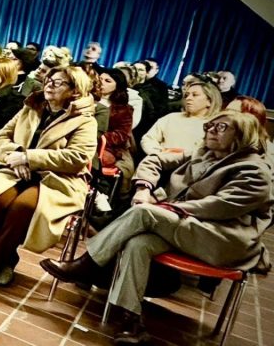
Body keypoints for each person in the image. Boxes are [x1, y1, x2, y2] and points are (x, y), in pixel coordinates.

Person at [41, 111, 272, 345]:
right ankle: (130, 320)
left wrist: (165, 208)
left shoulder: (255, 170)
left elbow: (220, 207)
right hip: (187, 227)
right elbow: (155, 159)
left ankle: (88, 264)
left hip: (221, 239)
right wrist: (143, 187)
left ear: (244, 135)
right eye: (210, 125)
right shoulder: (203, 153)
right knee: (138, 243)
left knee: (144, 212)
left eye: (221, 127)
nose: (211, 130)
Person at [0, 65, 98, 287]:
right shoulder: (31, 107)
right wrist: (16, 156)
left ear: (74, 90)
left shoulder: (85, 120)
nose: (49, 85)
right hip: (14, 170)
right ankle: (8, 258)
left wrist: (29, 157)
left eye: (58, 83)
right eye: (48, 80)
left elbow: (77, 157)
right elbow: (0, 138)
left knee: (23, 207)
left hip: (56, 179)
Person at [139, 80, 223, 155]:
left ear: (210, 101)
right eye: (186, 95)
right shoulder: (171, 118)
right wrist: (158, 153)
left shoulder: (215, 127)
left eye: (195, 95)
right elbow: (148, 139)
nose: (188, 98)